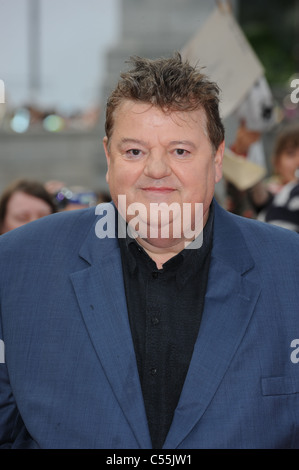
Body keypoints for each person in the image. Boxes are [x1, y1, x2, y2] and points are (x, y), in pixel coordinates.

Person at [0, 53, 299, 450]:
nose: (156, 170)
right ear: (108, 158)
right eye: (135, 151)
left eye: (180, 151)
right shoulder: (16, 265)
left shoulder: (290, 270)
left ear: (217, 159)